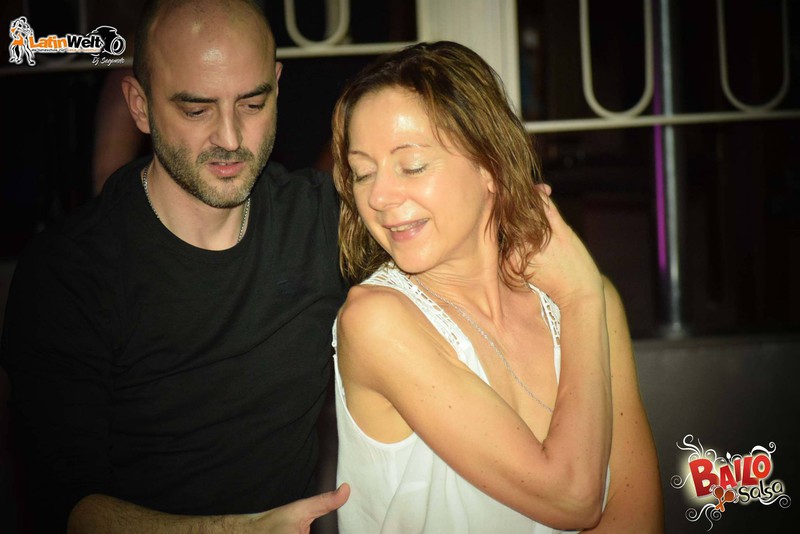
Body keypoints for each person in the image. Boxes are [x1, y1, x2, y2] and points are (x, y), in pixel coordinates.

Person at [0, 0, 350, 531]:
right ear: (139, 106)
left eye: (252, 104)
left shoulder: (315, 219)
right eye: (196, 110)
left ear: (277, 87)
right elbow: (67, 505)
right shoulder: (70, 273)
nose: (230, 138)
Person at [330, 41, 663, 532]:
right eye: (362, 173)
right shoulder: (375, 320)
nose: (378, 196)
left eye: (412, 165)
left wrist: (584, 299)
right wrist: (581, 298)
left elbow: (633, 515)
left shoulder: (588, 300)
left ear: (489, 166)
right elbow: (573, 499)